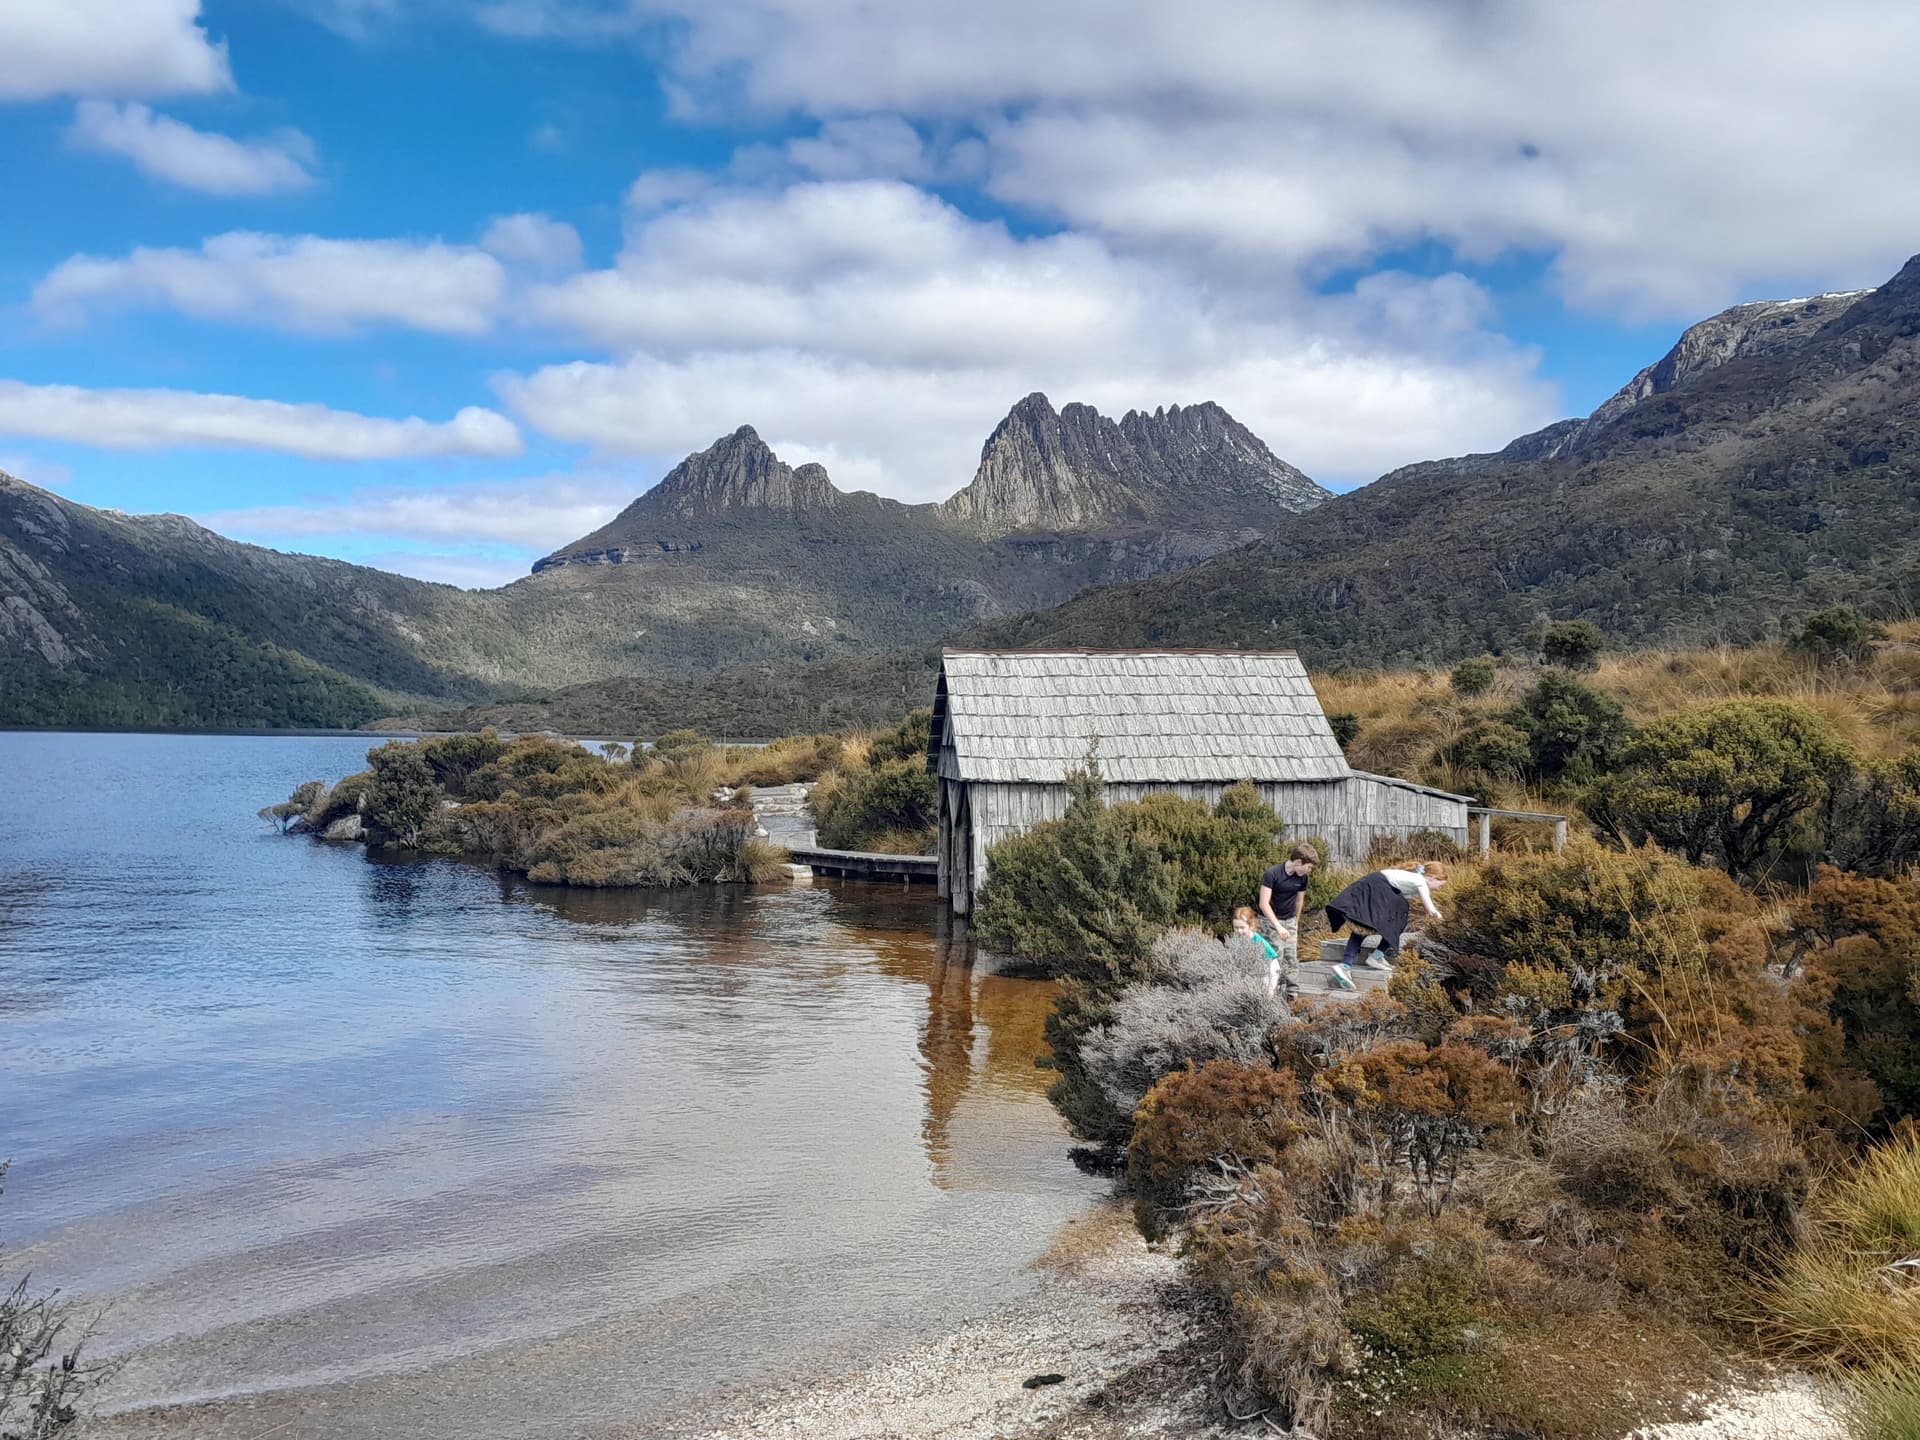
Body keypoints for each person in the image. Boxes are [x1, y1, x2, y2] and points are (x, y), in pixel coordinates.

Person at [1324, 860, 1449, 980]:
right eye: (1440, 884)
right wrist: (1447, 924)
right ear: (1432, 877)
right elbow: (1431, 911)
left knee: (1390, 916)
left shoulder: (1414, 879)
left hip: (1378, 887)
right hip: (1376, 887)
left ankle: (1372, 957)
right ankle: (1347, 965)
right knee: (1366, 923)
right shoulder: (1420, 881)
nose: (1439, 889)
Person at [1256, 843, 1320, 999]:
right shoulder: (1273, 874)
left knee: (1291, 958)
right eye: (1309, 867)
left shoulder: (1303, 878)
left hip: (1289, 921)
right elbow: (1263, 903)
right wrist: (1278, 927)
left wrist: (1295, 922)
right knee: (1275, 955)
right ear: (1299, 862)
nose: (1309, 871)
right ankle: (1271, 995)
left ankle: (1292, 996)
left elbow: (1299, 900)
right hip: (1270, 921)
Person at [1231, 906, 1281, 995]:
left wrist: (1270, 989)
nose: (1239, 931)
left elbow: (1271, 967)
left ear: (1251, 925)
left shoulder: (1259, 943)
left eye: (1242, 927)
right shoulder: (1236, 941)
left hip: (1266, 973)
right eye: (1236, 927)